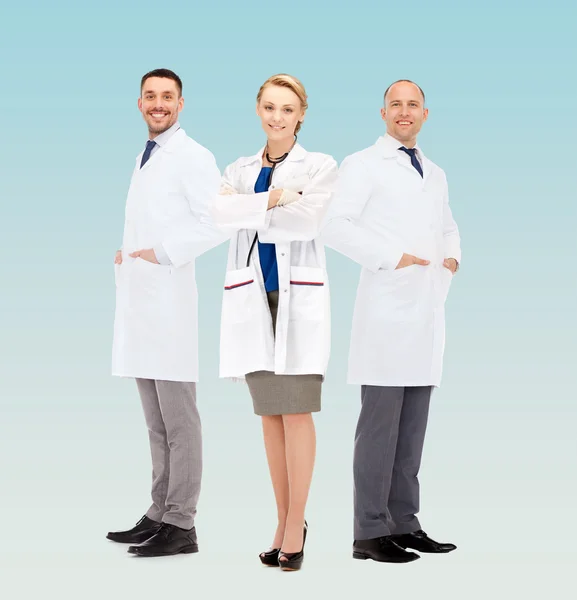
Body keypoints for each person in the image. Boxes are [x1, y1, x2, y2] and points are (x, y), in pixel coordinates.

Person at [321, 80, 461, 564]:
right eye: (396, 105)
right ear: (383, 113)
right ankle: (369, 530)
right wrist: (392, 258)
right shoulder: (362, 165)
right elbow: (335, 226)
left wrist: (453, 258)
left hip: (425, 313)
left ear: (426, 113)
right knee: (379, 429)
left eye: (413, 105)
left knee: (412, 429)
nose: (405, 112)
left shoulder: (435, 172)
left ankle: (405, 521)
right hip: (385, 313)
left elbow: (446, 224)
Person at [211, 74, 337, 571]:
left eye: (287, 109)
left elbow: (308, 222)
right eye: (269, 107)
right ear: (258, 110)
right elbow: (217, 215)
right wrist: (277, 198)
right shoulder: (240, 167)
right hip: (251, 301)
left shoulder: (321, 166)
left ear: (301, 114)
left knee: (297, 411)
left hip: (296, 302)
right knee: (269, 415)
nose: (277, 117)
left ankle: (297, 523)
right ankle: (284, 520)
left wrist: (250, 210)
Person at [107, 68, 225, 557]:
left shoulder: (194, 156)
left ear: (181, 104)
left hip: (169, 303)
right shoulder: (146, 155)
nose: (159, 104)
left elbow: (215, 222)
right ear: (139, 104)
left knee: (179, 420)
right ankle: (159, 510)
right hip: (141, 303)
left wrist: (162, 252)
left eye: (167, 97)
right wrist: (129, 251)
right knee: (155, 422)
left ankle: (182, 523)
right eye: (150, 96)